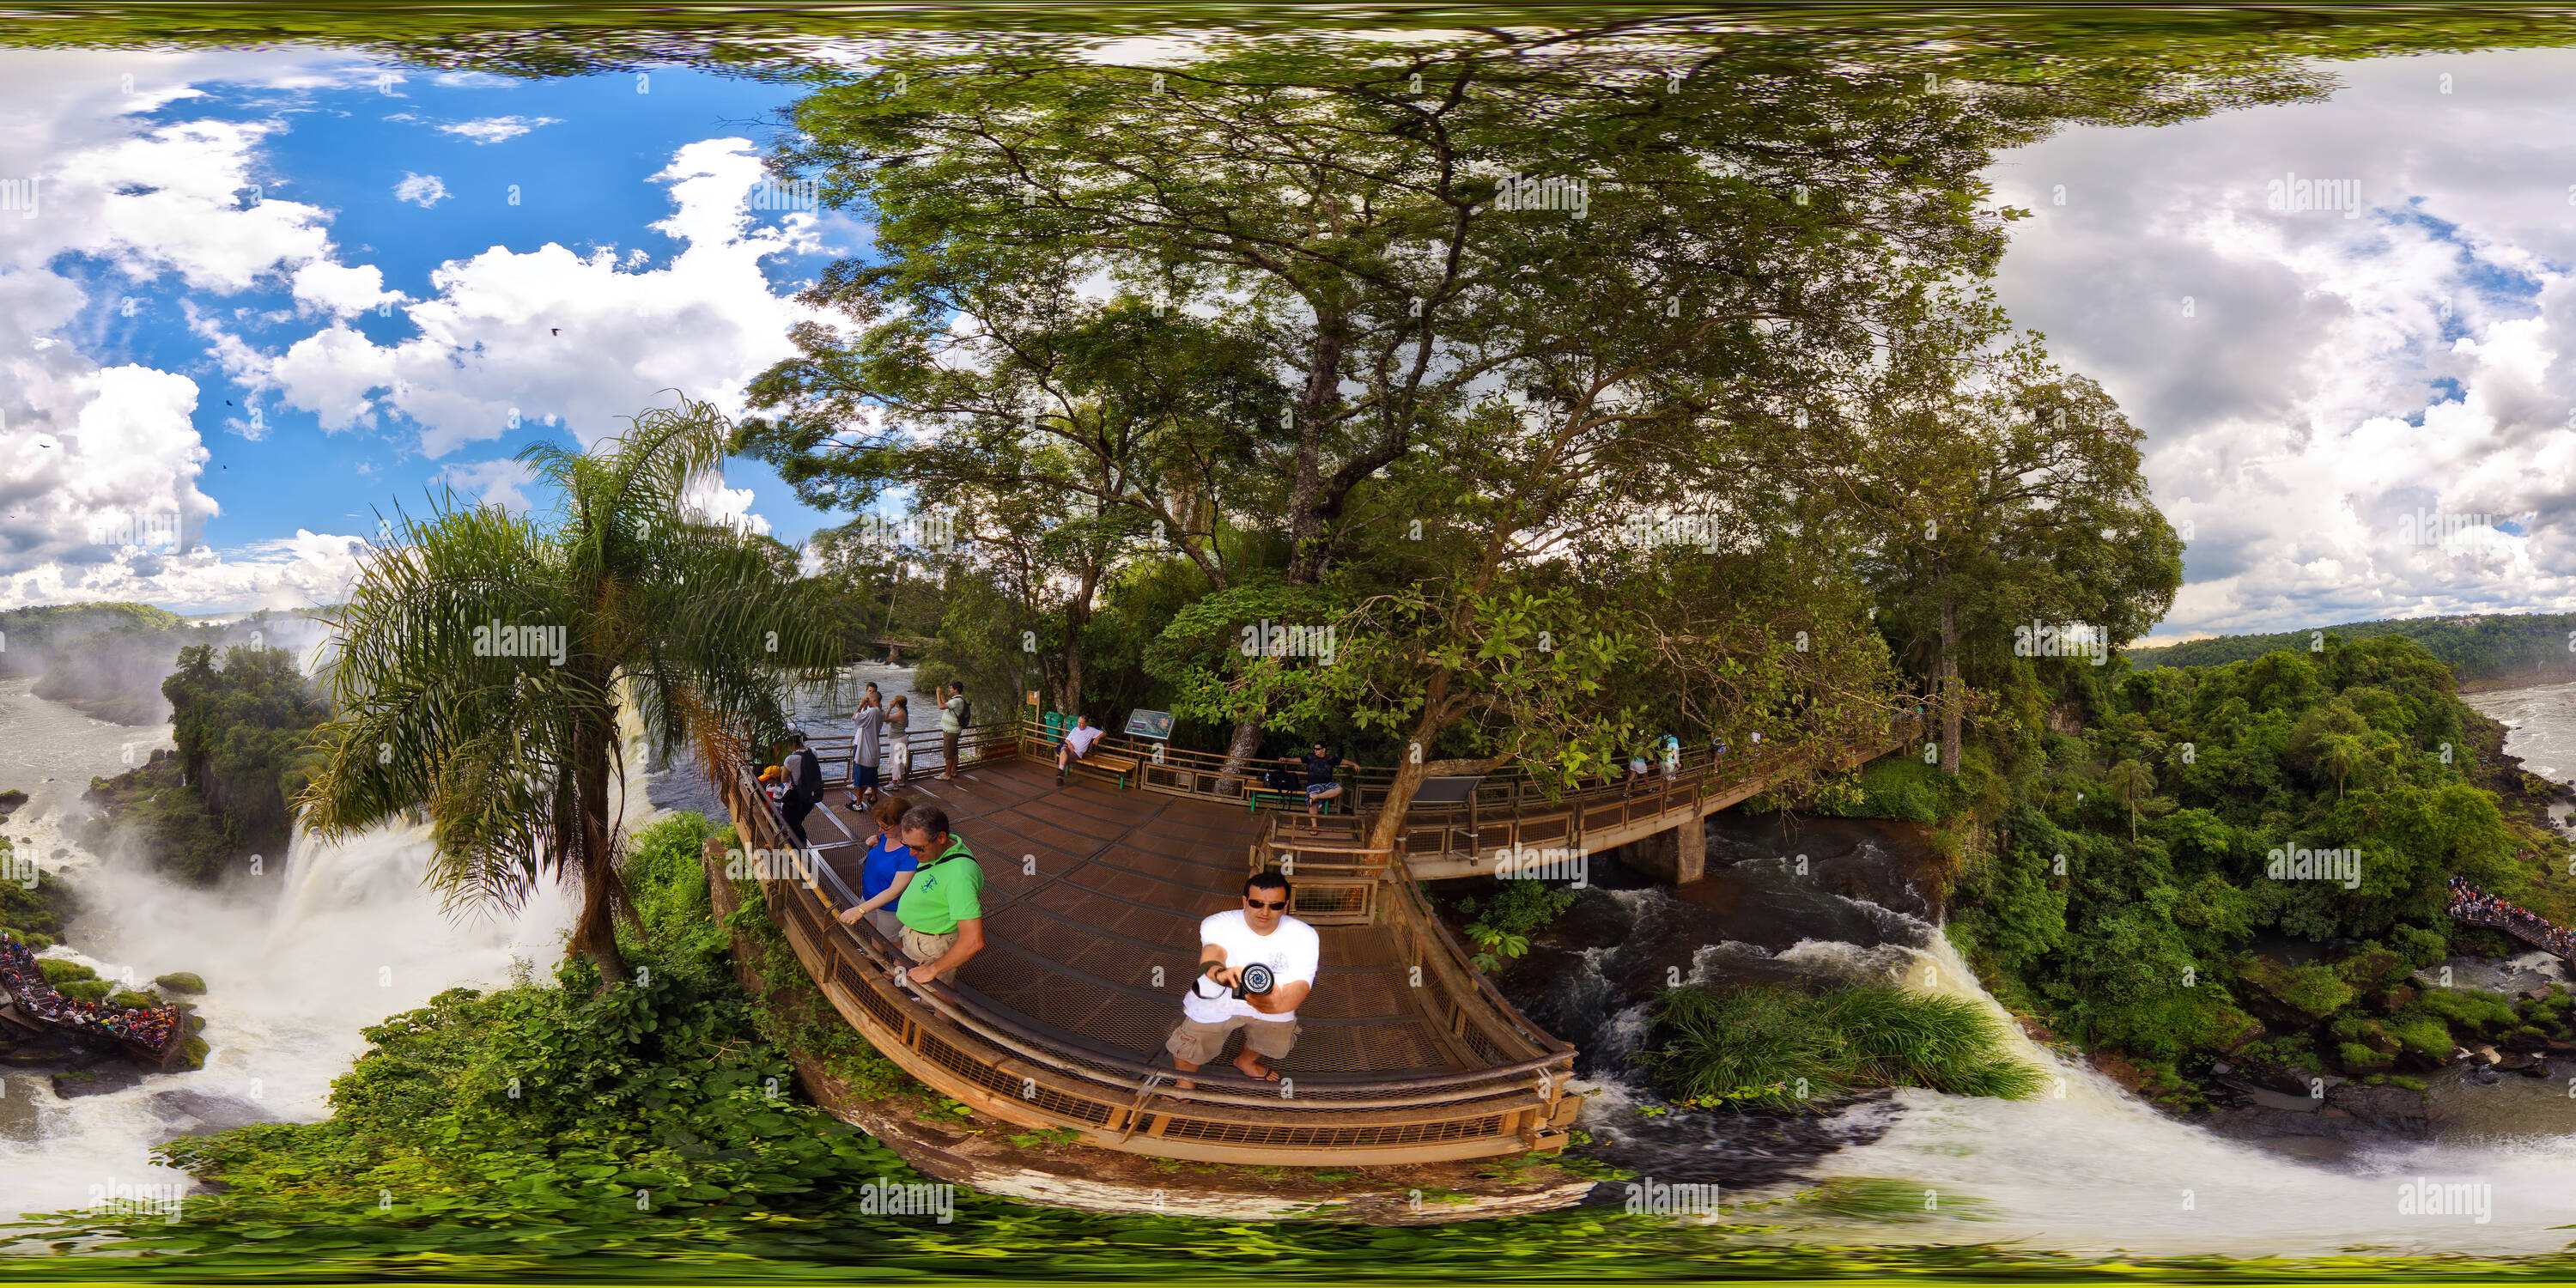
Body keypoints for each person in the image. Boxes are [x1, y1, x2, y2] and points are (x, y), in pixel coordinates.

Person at [1167, 871, 1319, 1088]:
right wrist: (1220, 974)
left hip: (1273, 1000)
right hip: (1217, 1000)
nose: (1265, 912)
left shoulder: (1304, 934)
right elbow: (1213, 953)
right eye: (1257, 903)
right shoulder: (1219, 922)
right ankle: (1185, 1082)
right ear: (1244, 901)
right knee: (1192, 1043)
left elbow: (1303, 982)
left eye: (1275, 906)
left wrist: (1281, 1003)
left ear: (1285, 905)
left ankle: (1245, 1061)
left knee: (1273, 1039)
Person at [890, 802, 985, 986]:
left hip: (932, 945)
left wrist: (933, 969)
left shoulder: (960, 877)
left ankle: (936, 1013)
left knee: (939, 994)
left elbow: (973, 940)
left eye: (918, 848)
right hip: (917, 936)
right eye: (906, 845)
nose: (911, 854)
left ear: (941, 837)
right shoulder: (940, 850)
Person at [835, 793, 917, 941]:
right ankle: (874, 955)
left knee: (892, 941)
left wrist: (860, 910)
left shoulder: (910, 852)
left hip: (890, 907)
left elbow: (894, 891)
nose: (880, 831)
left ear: (903, 825)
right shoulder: (887, 836)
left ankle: (900, 963)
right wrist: (871, 846)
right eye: (879, 826)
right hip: (869, 897)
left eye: (885, 827)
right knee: (874, 930)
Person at [778, 730, 825, 850]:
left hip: (795, 798)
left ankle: (798, 849)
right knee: (796, 823)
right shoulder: (813, 751)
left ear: (791, 743)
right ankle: (800, 847)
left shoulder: (790, 759)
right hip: (810, 796)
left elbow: (783, 779)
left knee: (791, 824)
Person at [1297, 742, 1358, 827]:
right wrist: (1285, 760)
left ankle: (1317, 796)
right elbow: (1298, 760)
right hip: (1313, 785)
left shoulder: (1330, 758)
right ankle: (1314, 825)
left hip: (1327, 785)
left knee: (1339, 788)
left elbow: (1343, 761)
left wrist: (1353, 764)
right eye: (1314, 749)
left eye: (1317, 749)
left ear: (1323, 750)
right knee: (1312, 796)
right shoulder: (1310, 757)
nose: (1315, 751)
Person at [849, 687, 884, 811]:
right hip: (874, 752)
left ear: (873, 699)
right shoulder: (881, 712)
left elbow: (855, 718)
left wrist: (860, 705)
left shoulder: (873, 712)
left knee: (860, 781)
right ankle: (874, 798)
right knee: (873, 779)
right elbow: (865, 719)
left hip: (865, 753)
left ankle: (858, 804)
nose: (867, 700)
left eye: (869, 699)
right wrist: (865, 706)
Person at [1055, 714, 1105, 787]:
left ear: (1086, 723)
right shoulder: (1075, 729)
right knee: (1064, 750)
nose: (1080, 725)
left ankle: (1059, 774)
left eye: (1082, 723)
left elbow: (1104, 734)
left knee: (1064, 755)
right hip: (1068, 746)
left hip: (1077, 753)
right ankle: (1059, 775)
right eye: (1079, 722)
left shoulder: (1091, 730)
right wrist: (1070, 744)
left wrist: (1097, 738)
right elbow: (1067, 740)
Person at [939, 682, 969, 781]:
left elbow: (941, 706)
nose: (950, 690)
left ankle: (947, 774)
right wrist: (942, 694)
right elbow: (946, 704)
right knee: (953, 751)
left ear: (956, 689)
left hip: (951, 731)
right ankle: (954, 771)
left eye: (951, 688)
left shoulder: (957, 701)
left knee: (948, 753)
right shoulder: (958, 699)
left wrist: (937, 694)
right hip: (954, 729)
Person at [885, 695, 913, 786]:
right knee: (899, 760)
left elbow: (885, 719)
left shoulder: (900, 714)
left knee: (895, 761)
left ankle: (894, 783)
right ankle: (901, 779)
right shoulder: (904, 712)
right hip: (900, 739)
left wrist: (889, 708)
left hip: (898, 740)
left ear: (897, 704)